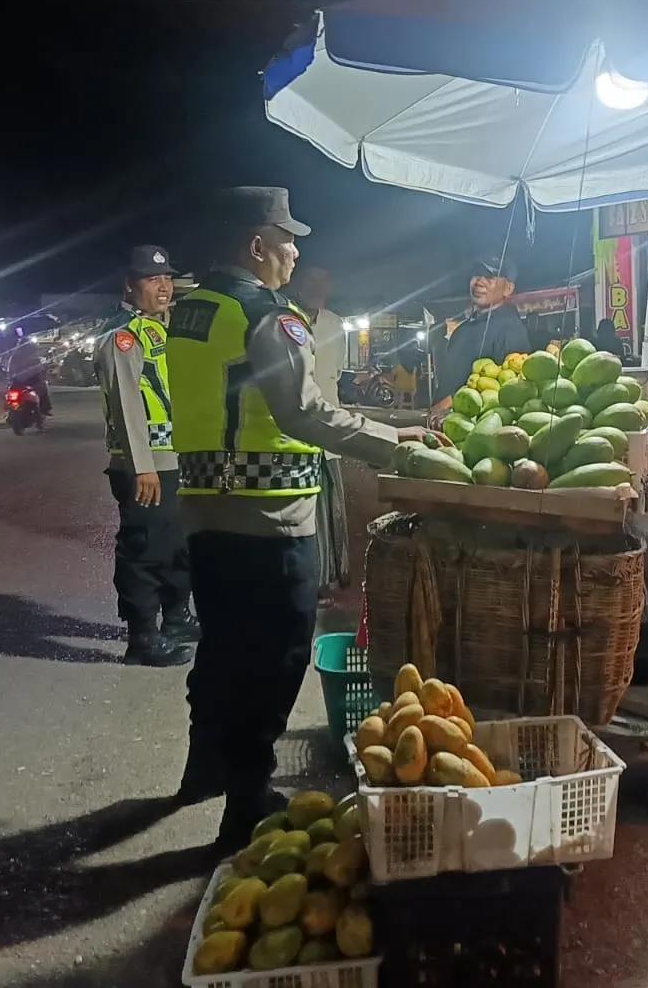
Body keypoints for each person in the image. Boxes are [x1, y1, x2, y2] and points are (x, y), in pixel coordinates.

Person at [165, 185, 436, 842]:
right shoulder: (267, 315)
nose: (294, 255)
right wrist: (392, 443)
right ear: (257, 245)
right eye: (288, 243)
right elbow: (302, 412)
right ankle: (246, 801)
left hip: (204, 509)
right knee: (276, 657)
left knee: (223, 646)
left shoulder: (191, 310)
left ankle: (205, 766)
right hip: (271, 517)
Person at [94, 245, 199, 668]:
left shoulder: (159, 328)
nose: (163, 286)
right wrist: (143, 467)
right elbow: (126, 404)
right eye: (152, 279)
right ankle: (142, 636)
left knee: (177, 544)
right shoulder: (122, 336)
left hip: (173, 460)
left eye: (167, 278)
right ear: (129, 286)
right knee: (145, 549)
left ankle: (177, 619)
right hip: (146, 465)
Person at [290, 265, 351, 598]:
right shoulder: (284, 319)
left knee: (330, 509)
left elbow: (335, 373)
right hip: (296, 432)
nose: (316, 289)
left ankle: (328, 577)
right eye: (310, 282)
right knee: (303, 509)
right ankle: (307, 579)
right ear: (298, 284)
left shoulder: (335, 323)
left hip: (330, 428)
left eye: (322, 283)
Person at [431, 255, 531, 412]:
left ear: (508, 288)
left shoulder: (511, 329)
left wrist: (448, 403)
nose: (479, 282)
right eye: (476, 274)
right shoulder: (462, 329)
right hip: (441, 419)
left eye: (490, 276)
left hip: (471, 420)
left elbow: (510, 385)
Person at [6, 330, 52, 415]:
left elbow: (10, 369)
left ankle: (10, 411)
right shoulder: (32, 356)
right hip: (32, 380)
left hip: (18, 380)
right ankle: (44, 409)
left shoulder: (14, 356)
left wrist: (10, 377)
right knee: (43, 388)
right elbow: (39, 368)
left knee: (10, 393)